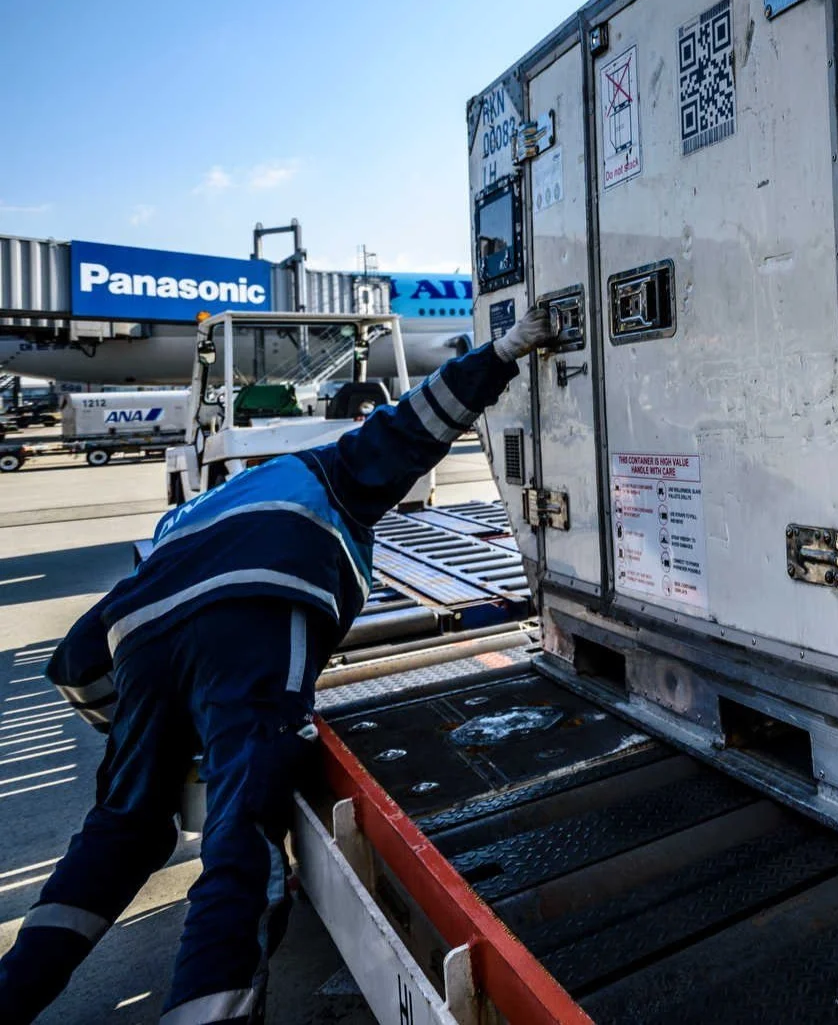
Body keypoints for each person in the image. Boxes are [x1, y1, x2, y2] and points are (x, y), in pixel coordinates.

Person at [0, 306, 560, 1024]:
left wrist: (146, 729)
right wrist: (506, 350)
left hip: (138, 638)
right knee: (241, 840)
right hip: (255, 616)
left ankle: (15, 988)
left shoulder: (180, 523)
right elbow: (421, 420)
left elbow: (76, 659)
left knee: (120, 827)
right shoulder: (321, 472)